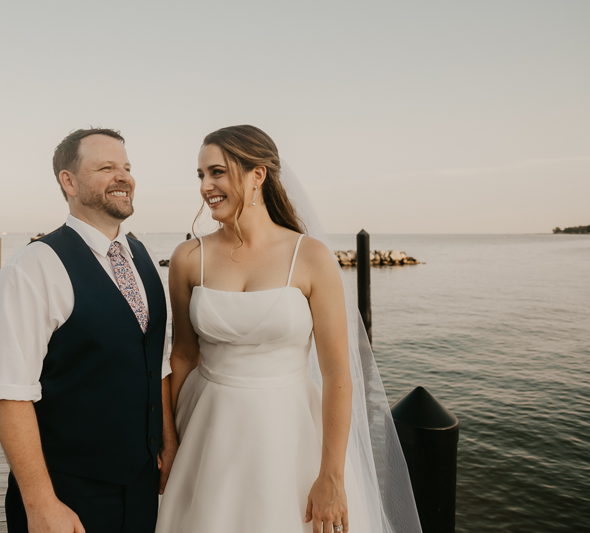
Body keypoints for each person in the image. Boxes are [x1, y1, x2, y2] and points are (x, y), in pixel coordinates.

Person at [155, 125, 422, 533]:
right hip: (206, 430)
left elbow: (337, 373)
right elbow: (184, 354)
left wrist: (331, 474)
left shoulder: (311, 256)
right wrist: (171, 441)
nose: (206, 186)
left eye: (217, 172)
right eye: (201, 175)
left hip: (290, 431)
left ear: (257, 175)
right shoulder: (189, 258)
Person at [0, 128, 178, 533]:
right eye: (106, 167)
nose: (123, 177)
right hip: (68, 494)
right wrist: (41, 503)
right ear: (68, 181)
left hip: (140, 485)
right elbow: (9, 392)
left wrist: (167, 441)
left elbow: (151, 361)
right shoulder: (33, 268)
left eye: (126, 167)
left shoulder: (140, 255)